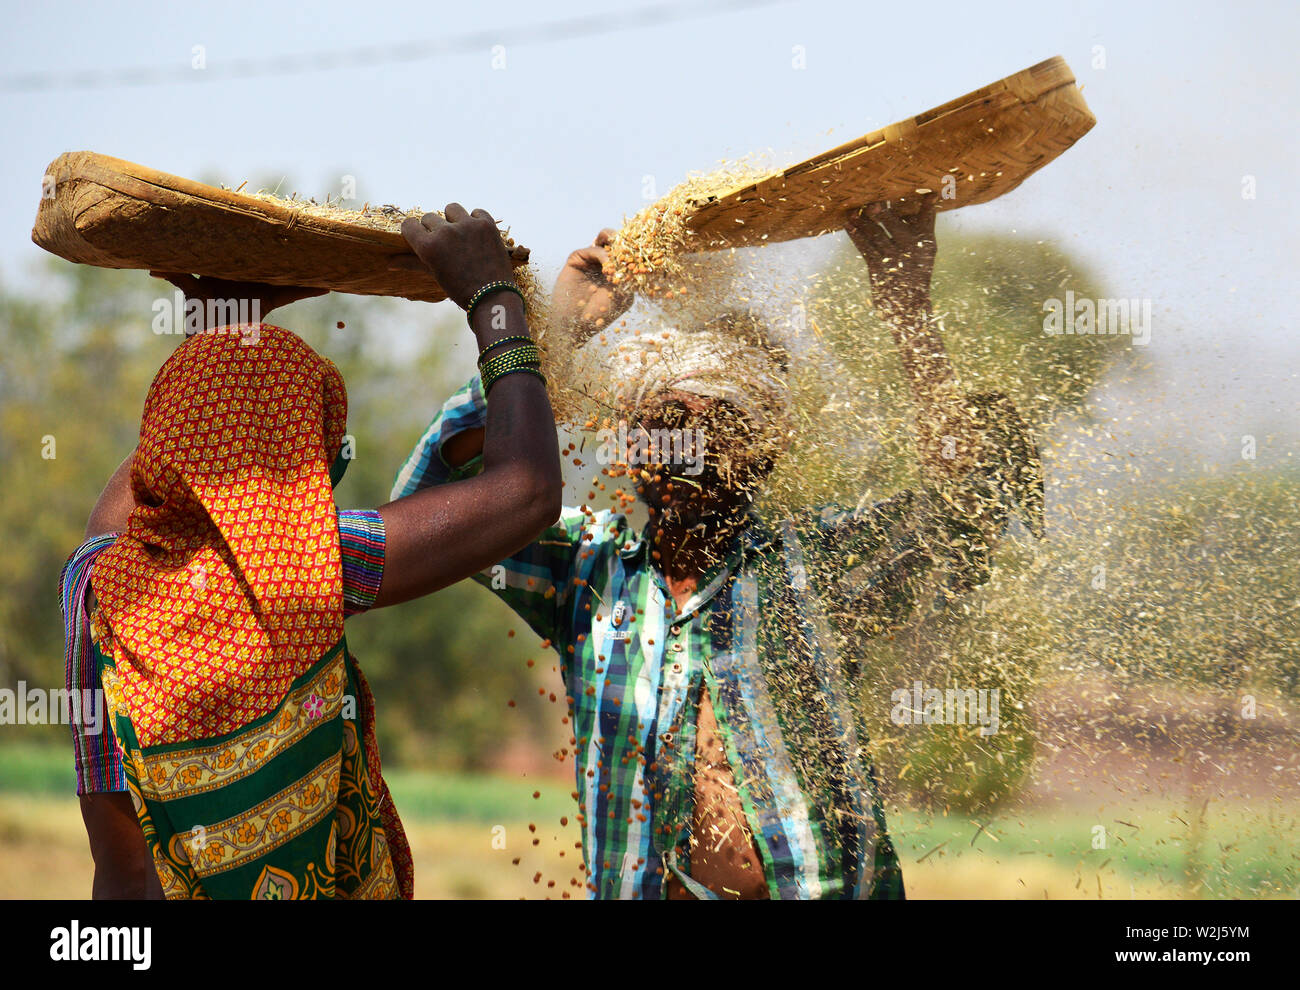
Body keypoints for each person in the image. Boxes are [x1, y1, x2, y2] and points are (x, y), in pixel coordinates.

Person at [391, 195, 1044, 899]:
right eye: (665, 421)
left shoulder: (817, 564)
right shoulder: (585, 568)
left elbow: (975, 508)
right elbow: (429, 504)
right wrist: (557, 333)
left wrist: (906, 305)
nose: (683, 449)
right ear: (628, 444)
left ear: (764, 449)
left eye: (717, 424)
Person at [61, 204, 562, 899]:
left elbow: (148, 484)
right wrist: (493, 301)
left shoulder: (94, 590)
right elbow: (528, 491)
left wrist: (221, 337)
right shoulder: (309, 561)